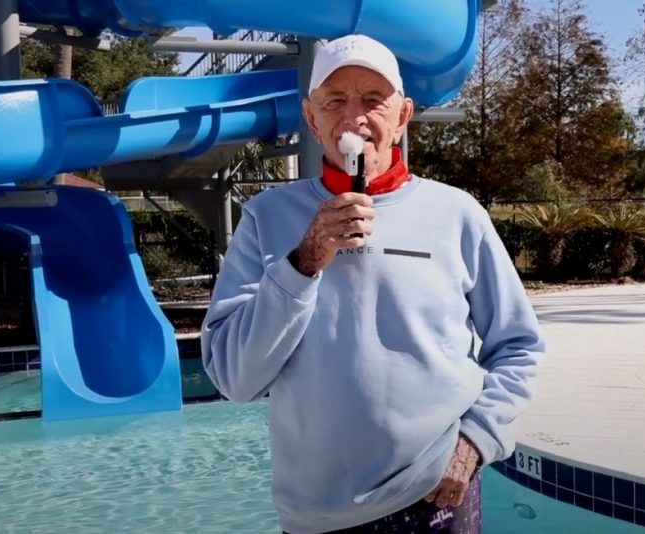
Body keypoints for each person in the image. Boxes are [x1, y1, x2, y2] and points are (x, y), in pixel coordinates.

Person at [201, 34, 546, 534]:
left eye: (373, 100)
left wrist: (474, 441)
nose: (354, 117)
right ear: (312, 118)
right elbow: (234, 379)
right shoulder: (266, 218)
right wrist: (305, 259)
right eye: (335, 101)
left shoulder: (455, 214)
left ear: (403, 115)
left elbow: (519, 346)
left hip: (435, 492)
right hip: (317, 513)